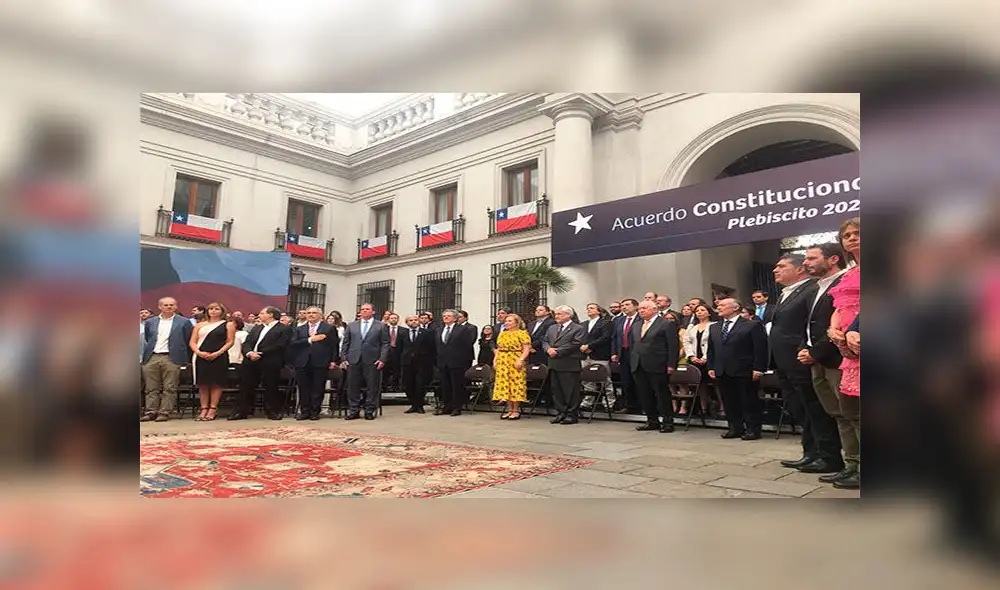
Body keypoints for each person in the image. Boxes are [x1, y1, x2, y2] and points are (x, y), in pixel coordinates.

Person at [772, 253, 843, 475]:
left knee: (815, 409)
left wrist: (807, 351)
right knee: (801, 409)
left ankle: (827, 455)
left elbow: (809, 326)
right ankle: (811, 452)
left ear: (799, 270)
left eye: (782, 266)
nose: (776, 270)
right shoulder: (787, 293)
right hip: (785, 361)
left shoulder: (811, 290)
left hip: (801, 358)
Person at [798, 242, 855, 485]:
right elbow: (811, 324)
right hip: (817, 359)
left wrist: (817, 351)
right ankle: (851, 463)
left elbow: (843, 321)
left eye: (811, 258)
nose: (805, 263)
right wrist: (807, 348)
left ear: (833, 259)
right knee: (838, 414)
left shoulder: (847, 281)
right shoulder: (817, 287)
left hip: (837, 357)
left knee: (852, 413)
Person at [826, 217, 861, 489]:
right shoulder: (848, 274)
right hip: (848, 348)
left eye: (857, 233)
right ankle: (854, 464)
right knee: (851, 410)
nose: (851, 238)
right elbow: (839, 306)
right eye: (846, 235)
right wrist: (834, 329)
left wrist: (855, 330)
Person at [707, 298, 769, 439]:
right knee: (729, 401)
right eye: (718, 306)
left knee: (748, 400)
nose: (719, 308)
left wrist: (759, 368)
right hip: (722, 369)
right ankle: (735, 428)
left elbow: (760, 349)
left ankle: (753, 429)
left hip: (744, 369)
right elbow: (712, 350)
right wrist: (711, 366)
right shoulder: (715, 327)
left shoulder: (752, 325)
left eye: (723, 305)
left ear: (735, 308)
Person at [230, 306, 291, 420]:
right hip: (251, 360)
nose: (259, 315)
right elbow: (247, 342)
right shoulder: (257, 328)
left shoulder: (283, 328)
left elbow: (280, 345)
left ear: (271, 315)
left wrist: (260, 353)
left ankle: (272, 411)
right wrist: (249, 353)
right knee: (245, 386)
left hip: (269, 361)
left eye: (262, 313)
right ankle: (242, 411)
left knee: (270, 386)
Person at [141, 297, 194, 422]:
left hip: (172, 357)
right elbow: (149, 338)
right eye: (166, 305)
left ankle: (164, 412)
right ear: (159, 307)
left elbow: (187, 339)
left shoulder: (184, 322)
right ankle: (151, 411)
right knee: (150, 387)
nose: (169, 307)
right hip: (152, 356)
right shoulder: (150, 322)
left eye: (171, 305)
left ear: (176, 307)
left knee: (170, 387)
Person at [630, 300, 678, 433]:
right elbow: (634, 344)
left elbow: (673, 346)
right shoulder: (636, 325)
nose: (641, 311)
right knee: (645, 394)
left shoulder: (666, 324)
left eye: (644, 308)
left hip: (658, 364)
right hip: (638, 364)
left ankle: (668, 422)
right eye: (639, 309)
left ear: (655, 309)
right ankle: (652, 421)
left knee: (662, 394)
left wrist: (671, 364)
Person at [289, 306, 340, 421]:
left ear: (320, 315)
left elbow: (334, 346)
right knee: (303, 388)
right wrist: (310, 340)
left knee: (318, 387)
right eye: (308, 313)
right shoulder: (299, 329)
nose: (311, 315)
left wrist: (333, 360)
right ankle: (304, 411)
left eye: (314, 313)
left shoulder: (329, 328)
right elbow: (293, 343)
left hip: (321, 361)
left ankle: (314, 412)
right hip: (302, 362)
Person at [340, 303, 389, 420]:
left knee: (372, 386)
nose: (364, 311)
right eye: (362, 309)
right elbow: (346, 343)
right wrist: (344, 358)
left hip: (373, 360)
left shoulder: (380, 326)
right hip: (354, 359)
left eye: (367, 309)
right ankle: (354, 410)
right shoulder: (352, 326)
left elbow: (385, 344)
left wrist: (382, 359)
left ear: (373, 312)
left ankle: (369, 410)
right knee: (353, 386)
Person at [189, 301, 236, 421]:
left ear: (222, 311)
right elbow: (192, 342)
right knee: (203, 383)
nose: (213, 311)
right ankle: (203, 408)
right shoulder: (200, 325)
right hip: (201, 356)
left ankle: (213, 409)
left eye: (216, 309)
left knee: (216, 383)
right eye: (211, 309)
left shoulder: (228, 324)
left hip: (219, 356)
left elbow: (230, 341)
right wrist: (199, 352)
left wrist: (218, 353)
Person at [542, 305, 586, 425]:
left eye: (559, 314)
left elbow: (576, 343)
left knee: (570, 390)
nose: (557, 316)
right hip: (553, 362)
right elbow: (545, 340)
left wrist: (558, 350)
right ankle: (561, 412)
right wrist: (548, 349)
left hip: (569, 363)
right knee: (557, 390)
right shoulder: (552, 327)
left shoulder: (578, 328)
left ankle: (572, 414)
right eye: (556, 314)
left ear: (568, 315)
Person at [434, 309, 475, 416]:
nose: (446, 317)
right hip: (443, 362)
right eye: (444, 316)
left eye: (448, 316)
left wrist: (464, 361)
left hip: (457, 362)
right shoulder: (439, 329)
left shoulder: (462, 329)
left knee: (457, 385)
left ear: (455, 318)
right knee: (445, 385)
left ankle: (457, 407)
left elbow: (467, 346)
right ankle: (446, 407)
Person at [491, 314, 532, 420]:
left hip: (515, 359)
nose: (507, 323)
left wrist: (521, 359)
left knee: (515, 384)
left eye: (509, 321)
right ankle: (509, 409)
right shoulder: (502, 334)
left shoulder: (522, 333)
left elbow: (526, 349)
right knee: (505, 384)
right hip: (503, 360)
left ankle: (516, 410)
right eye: (506, 321)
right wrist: (495, 360)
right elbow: (498, 349)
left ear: (516, 322)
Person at [683, 304, 716, 419]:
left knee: (717, 384)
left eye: (702, 310)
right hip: (695, 359)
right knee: (701, 385)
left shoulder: (714, 325)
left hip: (710, 359)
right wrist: (691, 356)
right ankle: (703, 408)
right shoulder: (692, 327)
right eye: (697, 311)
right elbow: (686, 342)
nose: (699, 312)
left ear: (709, 312)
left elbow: (714, 344)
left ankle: (722, 407)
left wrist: (706, 357)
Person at [580, 303, 614, 411]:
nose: (589, 310)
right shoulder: (584, 324)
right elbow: (580, 337)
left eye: (591, 308)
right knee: (586, 379)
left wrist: (590, 346)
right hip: (585, 355)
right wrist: (583, 346)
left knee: (605, 380)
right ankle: (588, 402)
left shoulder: (605, 323)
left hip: (599, 354)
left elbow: (605, 337)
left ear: (599, 311)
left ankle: (609, 403)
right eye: (588, 308)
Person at [399, 315, 435, 413]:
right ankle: (413, 404)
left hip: (422, 362)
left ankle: (419, 405)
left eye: (415, 320)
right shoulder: (403, 333)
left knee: (420, 384)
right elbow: (399, 348)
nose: (413, 322)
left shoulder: (427, 333)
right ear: (407, 323)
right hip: (407, 362)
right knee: (408, 384)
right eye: (411, 320)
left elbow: (432, 347)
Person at [610, 298, 640, 412]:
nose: (624, 307)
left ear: (636, 306)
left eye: (627, 305)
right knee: (626, 381)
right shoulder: (619, 320)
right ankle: (630, 405)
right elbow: (615, 337)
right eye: (622, 305)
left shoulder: (641, 319)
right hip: (623, 352)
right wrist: (614, 352)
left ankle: (642, 406)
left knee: (638, 380)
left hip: (636, 353)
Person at [383, 313, 403, 392]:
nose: (393, 319)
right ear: (388, 319)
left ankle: (395, 386)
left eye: (395, 318)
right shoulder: (384, 329)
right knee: (385, 370)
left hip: (397, 352)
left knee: (396, 370)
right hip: (386, 352)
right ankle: (384, 386)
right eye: (391, 318)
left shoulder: (403, 330)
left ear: (398, 320)